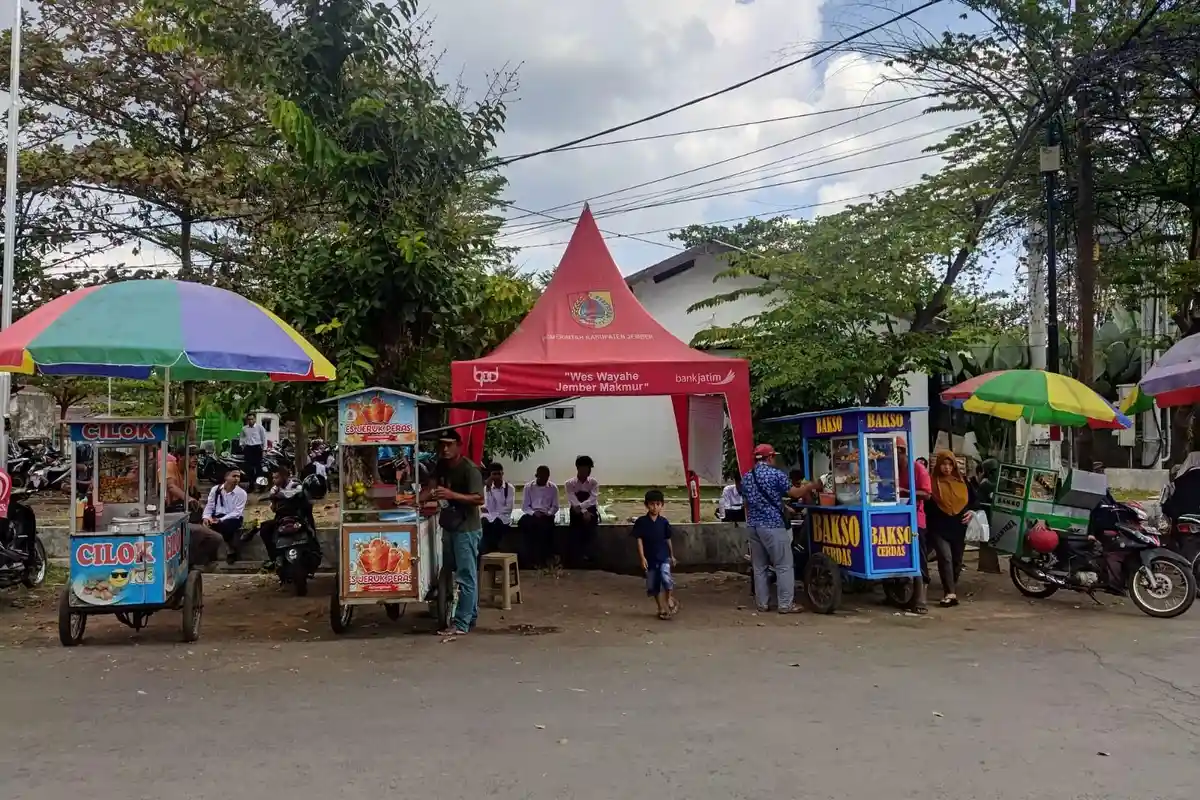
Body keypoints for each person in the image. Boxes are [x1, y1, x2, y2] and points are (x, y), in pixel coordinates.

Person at [742, 443, 823, 614]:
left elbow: (747, 503)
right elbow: (794, 493)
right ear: (770, 457)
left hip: (753, 526)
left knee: (759, 567)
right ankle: (786, 604)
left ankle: (762, 604)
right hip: (772, 526)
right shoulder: (775, 474)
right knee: (784, 565)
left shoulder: (747, 477)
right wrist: (811, 486)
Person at [420, 430, 485, 637]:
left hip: (466, 528)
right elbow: (429, 489)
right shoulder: (441, 465)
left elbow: (478, 499)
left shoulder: (470, 469)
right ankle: (470, 615)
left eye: (449, 445)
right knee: (452, 570)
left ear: (459, 445)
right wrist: (412, 500)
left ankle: (462, 624)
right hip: (449, 525)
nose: (445, 449)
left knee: (465, 575)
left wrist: (452, 495)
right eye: (442, 445)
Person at [926, 450, 976, 607]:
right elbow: (925, 504)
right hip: (938, 527)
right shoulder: (931, 482)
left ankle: (950, 587)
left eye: (950, 464)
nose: (946, 468)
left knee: (957, 561)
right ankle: (950, 593)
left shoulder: (962, 482)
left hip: (958, 527)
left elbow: (975, 500)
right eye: (943, 464)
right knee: (945, 558)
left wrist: (972, 511)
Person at [242, 465, 308, 568]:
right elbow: (273, 509)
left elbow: (296, 494)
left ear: (284, 477)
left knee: (309, 529)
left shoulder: (295, 485)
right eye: (273, 478)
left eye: (276, 477)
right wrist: (273, 500)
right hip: (281, 517)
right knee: (265, 529)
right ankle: (274, 558)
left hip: (298, 516)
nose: (274, 480)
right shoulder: (274, 489)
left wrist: (280, 495)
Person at [897, 438, 933, 614]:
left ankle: (921, 596)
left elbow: (927, 494)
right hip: (894, 517)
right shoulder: (889, 468)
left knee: (918, 556)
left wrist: (906, 491)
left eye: (896, 452)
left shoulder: (918, 469)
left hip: (915, 519)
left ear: (903, 452)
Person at [632, 489, 678, 620]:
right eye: (652, 504)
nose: (655, 507)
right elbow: (639, 540)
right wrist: (642, 558)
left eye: (658, 504)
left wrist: (672, 555)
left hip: (663, 556)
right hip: (650, 558)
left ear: (662, 505)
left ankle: (669, 597)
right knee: (653, 584)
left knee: (666, 577)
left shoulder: (664, 522)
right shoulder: (641, 522)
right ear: (646, 505)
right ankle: (660, 608)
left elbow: (668, 539)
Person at [202, 469, 248, 564]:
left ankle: (230, 550)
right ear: (226, 477)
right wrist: (206, 517)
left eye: (238, 477)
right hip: (217, 515)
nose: (236, 479)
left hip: (233, 517)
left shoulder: (241, 493)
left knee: (226, 525)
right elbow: (210, 505)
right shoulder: (216, 489)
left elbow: (237, 512)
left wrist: (221, 520)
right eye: (234, 476)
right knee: (203, 526)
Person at [519, 465, 558, 567]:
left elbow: (555, 506)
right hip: (532, 514)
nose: (544, 480)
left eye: (546, 478)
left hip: (546, 514)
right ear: (537, 476)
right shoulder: (528, 487)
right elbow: (525, 506)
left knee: (545, 529)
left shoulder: (553, 488)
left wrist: (548, 513)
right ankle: (529, 558)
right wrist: (533, 513)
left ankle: (543, 558)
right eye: (541, 477)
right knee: (526, 526)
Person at [564, 455, 599, 567]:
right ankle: (576, 558)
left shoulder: (593, 483)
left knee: (591, 528)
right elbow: (572, 500)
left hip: (590, 510)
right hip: (576, 510)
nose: (587, 471)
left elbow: (593, 499)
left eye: (589, 469)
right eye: (585, 468)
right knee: (575, 529)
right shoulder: (569, 484)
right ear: (578, 468)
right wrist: (583, 511)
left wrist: (584, 509)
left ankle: (590, 556)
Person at [481, 462, 514, 555]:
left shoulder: (509, 488)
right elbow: (489, 506)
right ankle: (486, 553)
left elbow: (508, 508)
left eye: (499, 474)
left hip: (504, 518)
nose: (497, 476)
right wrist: (488, 489)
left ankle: (492, 552)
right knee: (484, 524)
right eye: (494, 474)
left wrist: (495, 511)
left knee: (497, 524)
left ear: (502, 474)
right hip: (490, 517)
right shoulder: (487, 488)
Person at [240, 413, 267, 490]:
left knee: (259, 468)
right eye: (249, 419)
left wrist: (264, 450)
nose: (250, 421)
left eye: (252, 419)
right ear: (247, 420)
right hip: (248, 448)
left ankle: (262, 486)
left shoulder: (260, 428)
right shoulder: (244, 428)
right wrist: (242, 446)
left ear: (255, 419)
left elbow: (264, 438)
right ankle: (251, 486)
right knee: (249, 469)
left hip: (257, 448)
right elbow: (242, 437)